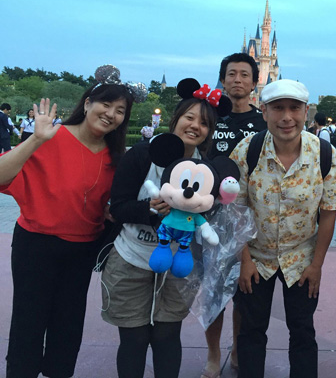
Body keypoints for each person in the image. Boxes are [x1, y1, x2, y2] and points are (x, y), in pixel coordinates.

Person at [0, 75, 136, 378]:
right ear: (87, 104)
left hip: (82, 249)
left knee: (68, 324)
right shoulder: (50, 136)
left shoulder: (117, 158)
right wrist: (35, 139)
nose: (111, 114)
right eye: (106, 104)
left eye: (120, 110)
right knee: (28, 321)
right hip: (36, 244)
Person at [100, 78, 230, 378]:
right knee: (134, 338)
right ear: (176, 118)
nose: (195, 126)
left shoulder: (206, 170)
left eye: (204, 123)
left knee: (167, 335)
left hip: (177, 265)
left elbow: (206, 218)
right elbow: (117, 207)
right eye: (189, 117)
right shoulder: (142, 154)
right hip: (131, 258)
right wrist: (149, 209)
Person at [229, 79, 336, 378]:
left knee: (303, 330)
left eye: (294, 108)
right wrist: (244, 261)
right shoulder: (247, 150)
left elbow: (328, 213)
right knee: (251, 329)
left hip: (302, 256)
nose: (286, 117)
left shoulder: (324, 154)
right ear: (264, 111)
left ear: (306, 112)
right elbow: (236, 209)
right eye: (278, 108)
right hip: (256, 255)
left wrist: (317, 265)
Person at [203, 52, 267, 378]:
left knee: (245, 290)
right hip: (211, 217)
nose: (237, 79)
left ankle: (238, 348)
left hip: (249, 217)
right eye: (231, 74)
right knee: (214, 291)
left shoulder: (263, 123)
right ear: (223, 79)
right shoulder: (209, 117)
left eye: (244, 74)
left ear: (255, 82)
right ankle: (213, 354)